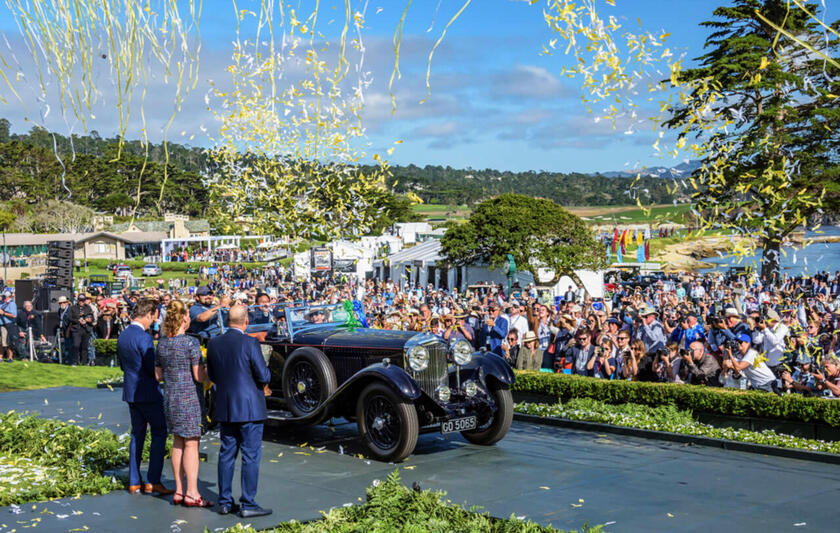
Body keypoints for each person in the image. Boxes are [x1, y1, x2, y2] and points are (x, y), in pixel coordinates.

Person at [206, 304, 272, 518]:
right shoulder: (250, 343)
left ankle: (224, 502)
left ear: (227, 321)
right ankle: (248, 503)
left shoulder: (214, 343)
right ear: (246, 322)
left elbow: (213, 375)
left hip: (226, 406)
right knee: (250, 456)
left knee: (226, 454)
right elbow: (263, 376)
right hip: (250, 407)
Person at [155, 300, 210, 507]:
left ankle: (178, 490)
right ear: (184, 318)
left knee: (177, 441)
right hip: (189, 398)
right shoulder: (190, 343)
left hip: (170, 397)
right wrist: (208, 368)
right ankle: (192, 493)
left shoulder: (162, 343)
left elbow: (158, 375)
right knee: (191, 443)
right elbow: (198, 375)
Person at [117, 299, 173, 496]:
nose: (154, 321)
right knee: (159, 432)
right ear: (149, 314)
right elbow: (152, 368)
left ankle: (134, 481)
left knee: (136, 435)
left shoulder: (123, 335)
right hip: (148, 392)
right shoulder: (144, 338)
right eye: (154, 317)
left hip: (131, 392)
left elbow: (123, 366)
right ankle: (153, 480)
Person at [68, 294, 93, 366]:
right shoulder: (73, 308)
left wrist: (89, 320)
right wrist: (77, 320)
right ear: (78, 300)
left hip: (86, 329)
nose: (81, 302)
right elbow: (69, 318)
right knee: (76, 345)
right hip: (76, 329)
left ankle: (84, 362)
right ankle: (75, 361)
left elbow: (92, 318)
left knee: (85, 346)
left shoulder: (88, 308)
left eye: (83, 300)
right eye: (80, 300)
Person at [0, 292, 18, 362]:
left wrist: (4, 313)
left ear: (7, 297)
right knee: (1, 342)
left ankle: (10, 358)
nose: (2, 297)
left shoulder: (12, 304)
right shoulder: (1, 303)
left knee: (7, 342)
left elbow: (14, 315)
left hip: (8, 325)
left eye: (3, 296)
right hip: (1, 324)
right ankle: (1, 358)